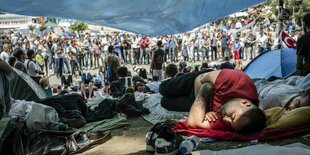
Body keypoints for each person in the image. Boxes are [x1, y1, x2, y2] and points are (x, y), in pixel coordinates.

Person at [159, 69, 266, 134]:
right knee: (163, 88)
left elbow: (193, 122)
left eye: (230, 121)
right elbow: (200, 80)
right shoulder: (238, 80)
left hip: (201, 99)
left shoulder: (237, 122)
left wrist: (203, 107)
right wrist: (205, 109)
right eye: (231, 116)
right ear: (245, 103)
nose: (225, 119)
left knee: (165, 102)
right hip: (199, 81)